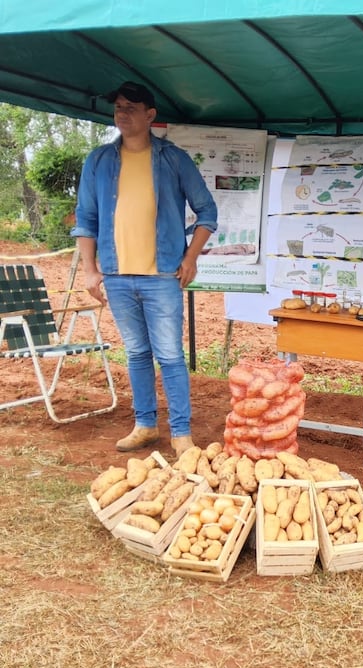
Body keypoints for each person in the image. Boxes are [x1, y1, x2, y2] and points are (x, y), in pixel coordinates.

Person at [72, 81, 218, 458]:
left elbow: (207, 212)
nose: (122, 113)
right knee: (137, 353)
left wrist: (190, 258)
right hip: (117, 277)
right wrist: (90, 271)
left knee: (169, 355)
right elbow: (86, 219)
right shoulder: (98, 161)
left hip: (162, 276)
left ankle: (181, 433)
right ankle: (145, 425)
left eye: (131, 107)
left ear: (150, 115)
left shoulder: (173, 158)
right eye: (118, 106)